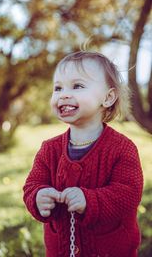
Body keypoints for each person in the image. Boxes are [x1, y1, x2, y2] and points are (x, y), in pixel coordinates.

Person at [23, 51, 143, 257]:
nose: (64, 94)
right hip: (61, 250)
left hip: (110, 250)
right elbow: (32, 185)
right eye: (58, 88)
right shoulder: (48, 150)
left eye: (77, 86)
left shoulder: (122, 148)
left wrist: (90, 200)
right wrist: (37, 197)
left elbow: (129, 193)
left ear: (108, 97)